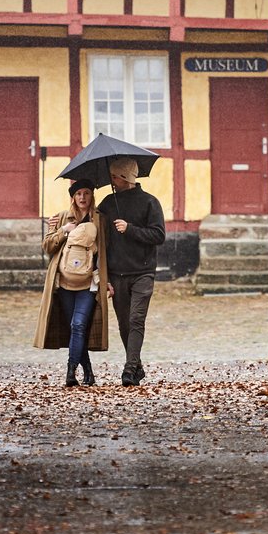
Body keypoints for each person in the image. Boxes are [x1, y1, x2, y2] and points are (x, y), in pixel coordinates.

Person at [33, 179, 110, 386]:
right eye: (78, 194)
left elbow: (105, 253)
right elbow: (47, 246)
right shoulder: (60, 218)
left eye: (86, 193)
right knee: (75, 328)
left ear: (92, 195)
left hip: (88, 284)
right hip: (64, 283)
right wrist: (64, 230)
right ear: (73, 197)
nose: (82, 197)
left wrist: (108, 281)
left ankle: (70, 372)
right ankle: (89, 373)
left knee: (78, 325)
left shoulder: (100, 220)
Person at [100, 156, 165, 386]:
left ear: (125, 177)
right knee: (124, 323)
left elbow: (159, 235)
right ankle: (137, 365)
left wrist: (130, 229)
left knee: (137, 319)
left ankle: (128, 370)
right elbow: (99, 239)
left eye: (115, 176)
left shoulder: (150, 203)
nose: (112, 180)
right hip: (117, 275)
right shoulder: (107, 204)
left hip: (143, 272)